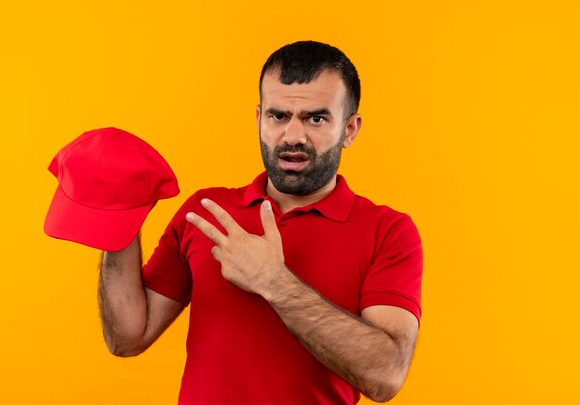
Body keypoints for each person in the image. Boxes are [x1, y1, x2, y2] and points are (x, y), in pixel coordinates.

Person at [98, 40, 423, 404]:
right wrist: (119, 222)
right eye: (278, 116)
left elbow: (386, 376)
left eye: (316, 118)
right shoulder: (206, 212)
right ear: (259, 119)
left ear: (349, 129)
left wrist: (274, 282)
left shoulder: (389, 231)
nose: (294, 136)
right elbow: (127, 338)